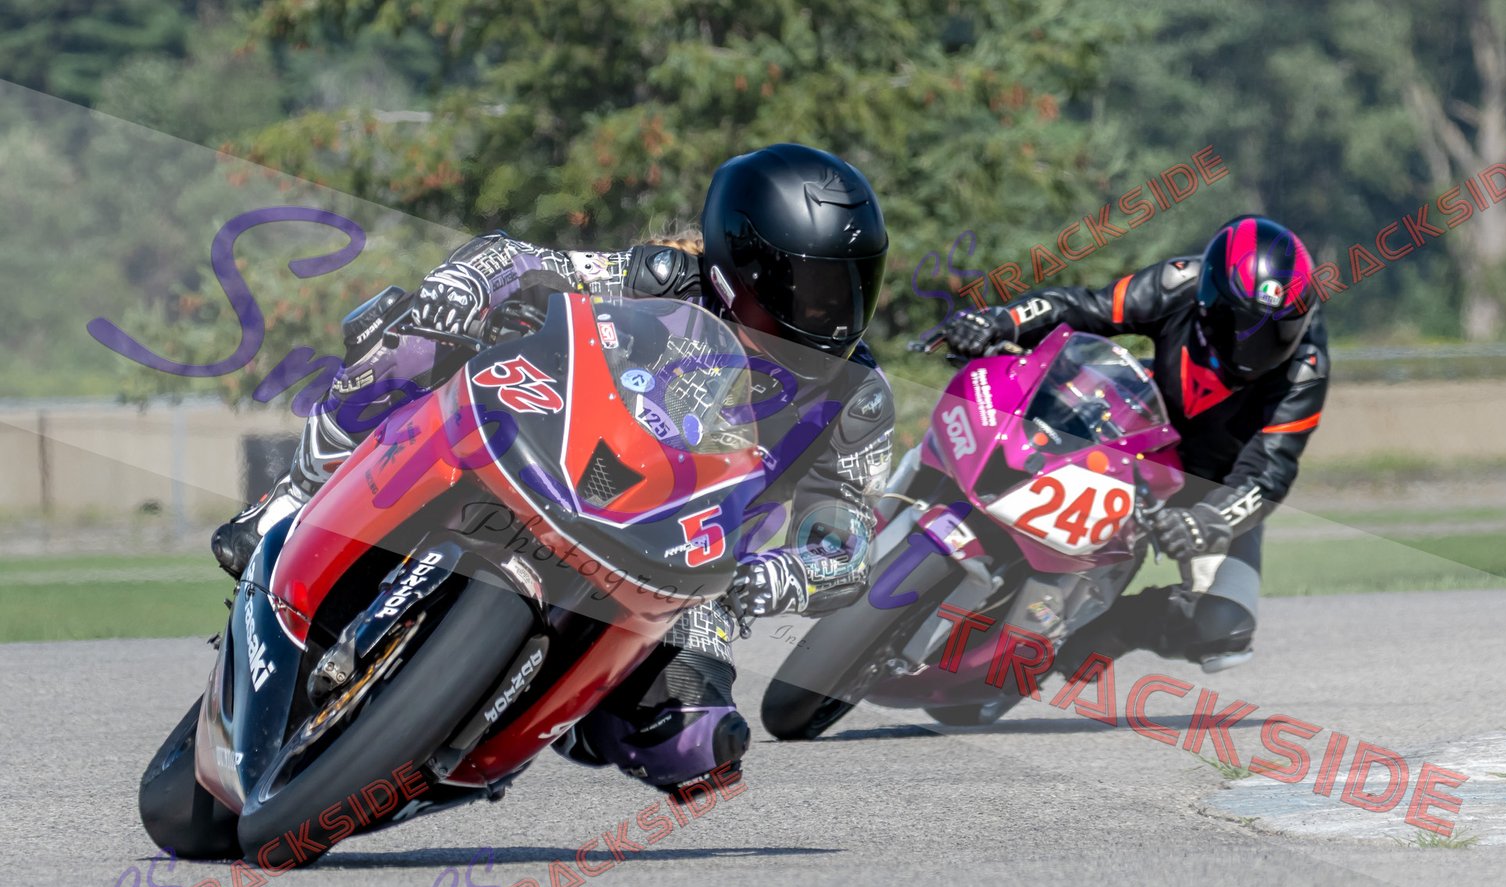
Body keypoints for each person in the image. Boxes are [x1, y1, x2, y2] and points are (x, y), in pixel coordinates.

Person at [211, 143, 895, 791]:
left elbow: (847, 543)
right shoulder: (663, 278)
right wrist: (463, 285)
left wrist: (772, 577)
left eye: (851, 287)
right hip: (559, 453)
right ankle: (292, 499)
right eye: (811, 288)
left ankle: (514, 722)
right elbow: (518, 259)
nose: (834, 315)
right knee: (409, 340)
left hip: (685, 570)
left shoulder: (858, 398)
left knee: (696, 743)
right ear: (740, 267)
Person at [940, 214, 1327, 672]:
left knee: (1223, 630)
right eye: (1237, 322)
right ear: (1209, 299)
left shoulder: (1305, 370)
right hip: (1133, 434)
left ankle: (1112, 628)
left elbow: (1267, 476)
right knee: (1027, 422)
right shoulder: (1177, 282)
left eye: (1275, 333)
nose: (1251, 347)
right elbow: (1084, 307)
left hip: (1213, 486)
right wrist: (1002, 320)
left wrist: (1208, 520)